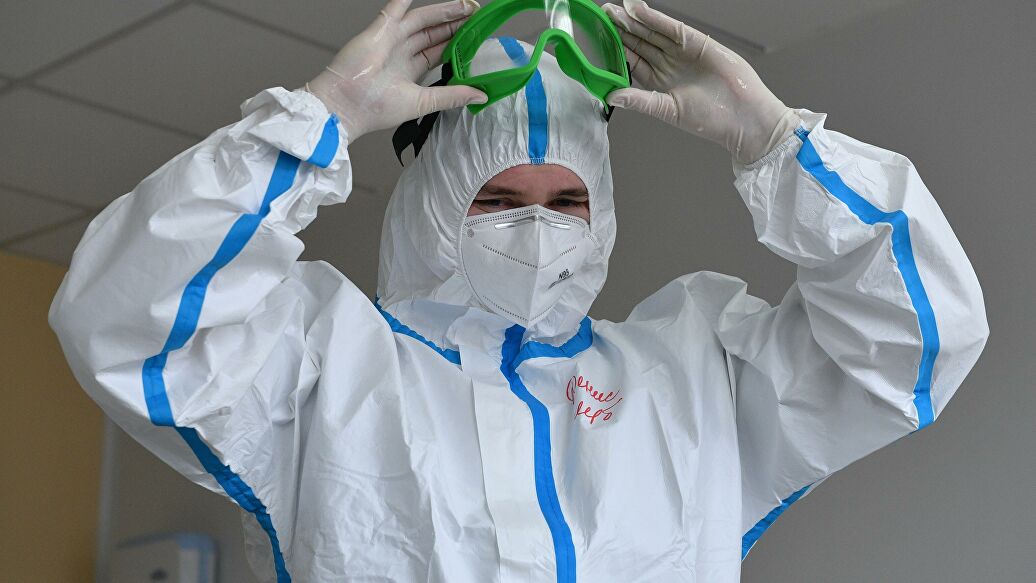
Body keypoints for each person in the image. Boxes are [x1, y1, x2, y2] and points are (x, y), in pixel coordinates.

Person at [49, 0, 988, 581]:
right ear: (430, 202)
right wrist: (318, 121)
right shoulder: (321, 364)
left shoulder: (695, 376)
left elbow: (914, 340)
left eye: (568, 200)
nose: (538, 227)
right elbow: (123, 319)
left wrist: (778, 144)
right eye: (496, 198)